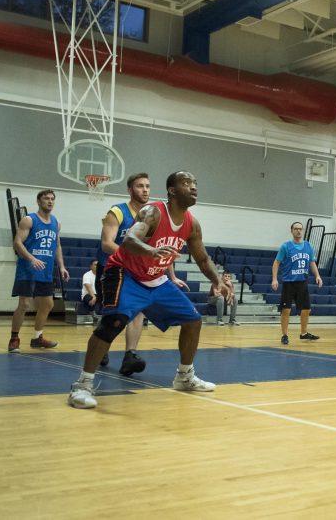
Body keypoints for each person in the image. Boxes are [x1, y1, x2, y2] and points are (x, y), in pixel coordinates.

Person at [68, 171, 230, 409]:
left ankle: (184, 376)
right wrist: (150, 251)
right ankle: (82, 386)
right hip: (125, 273)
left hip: (155, 279)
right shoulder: (152, 212)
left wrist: (217, 280)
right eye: (187, 183)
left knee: (193, 320)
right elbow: (129, 240)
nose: (194, 187)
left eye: (195, 183)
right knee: (114, 322)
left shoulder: (191, 223)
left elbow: (203, 258)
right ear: (172, 191)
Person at [97, 173, 186, 375]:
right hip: (114, 268)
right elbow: (106, 244)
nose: (145, 190)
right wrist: (137, 255)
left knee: (138, 311)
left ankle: (130, 354)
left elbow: (162, 248)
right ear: (130, 190)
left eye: (147, 186)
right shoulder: (117, 212)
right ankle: (102, 346)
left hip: (140, 271)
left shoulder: (154, 214)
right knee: (113, 314)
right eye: (140, 186)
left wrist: (171, 276)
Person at [10, 189, 68, 352]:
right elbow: (17, 243)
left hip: (46, 271)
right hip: (28, 269)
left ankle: (37, 338)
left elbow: (57, 245)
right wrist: (32, 259)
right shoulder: (29, 220)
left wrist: (62, 266)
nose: (50, 201)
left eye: (52, 199)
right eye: (46, 198)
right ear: (38, 201)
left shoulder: (56, 223)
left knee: (48, 304)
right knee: (24, 304)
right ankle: (14, 338)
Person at [271, 222, 323, 344]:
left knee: (306, 309)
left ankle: (304, 333)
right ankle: (284, 335)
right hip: (289, 283)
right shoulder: (286, 246)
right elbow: (276, 263)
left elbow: (312, 263)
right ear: (292, 230)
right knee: (286, 310)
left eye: (300, 229)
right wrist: (274, 279)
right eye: (296, 229)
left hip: (302, 283)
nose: (298, 231)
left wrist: (317, 275)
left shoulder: (308, 246)